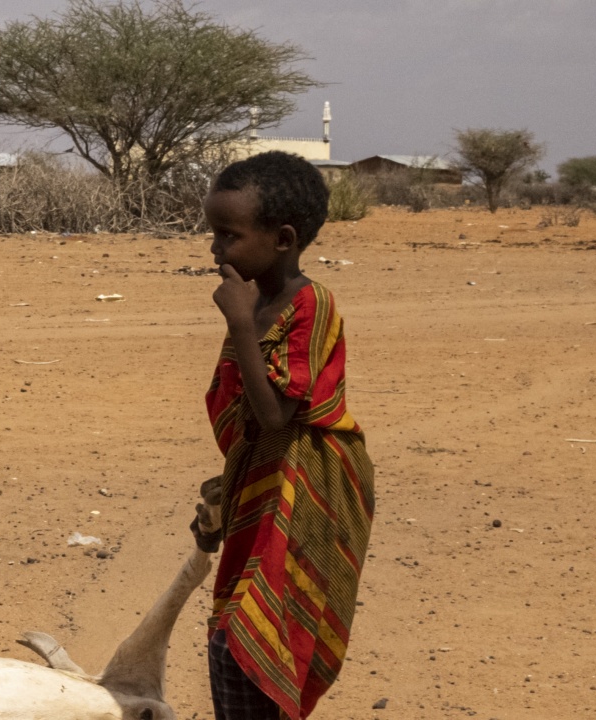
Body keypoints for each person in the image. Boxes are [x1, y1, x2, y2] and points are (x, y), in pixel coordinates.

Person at [198, 151, 375, 720]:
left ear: (283, 238)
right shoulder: (254, 303)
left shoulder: (309, 303)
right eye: (213, 234)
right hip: (262, 484)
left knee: (262, 640)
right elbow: (247, 420)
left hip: (308, 493)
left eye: (229, 235)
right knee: (229, 643)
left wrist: (242, 324)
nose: (215, 249)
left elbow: (276, 413)